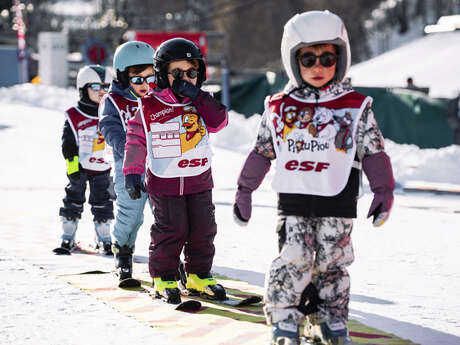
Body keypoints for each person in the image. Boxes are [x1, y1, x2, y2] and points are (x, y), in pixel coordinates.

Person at [233, 11, 395, 345]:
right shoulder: (279, 106)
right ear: (293, 60)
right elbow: (262, 151)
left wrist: (383, 190)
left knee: (333, 263)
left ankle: (330, 319)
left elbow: (373, 151)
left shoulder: (354, 106)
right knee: (295, 260)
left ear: (342, 57)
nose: (318, 67)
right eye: (308, 59)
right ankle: (284, 318)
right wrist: (244, 190)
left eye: (327, 58)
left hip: (338, 200)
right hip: (294, 199)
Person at [122, 38, 228, 304]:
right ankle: (164, 277)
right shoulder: (149, 105)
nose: (185, 80)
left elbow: (220, 122)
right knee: (171, 229)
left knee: (203, 229)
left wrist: (199, 97)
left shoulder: (202, 103)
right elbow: (136, 139)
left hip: (199, 180)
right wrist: (132, 172)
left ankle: (198, 276)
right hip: (165, 183)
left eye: (191, 73)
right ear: (161, 74)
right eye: (177, 74)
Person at [98, 41, 155, 283]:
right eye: (138, 79)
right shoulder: (113, 101)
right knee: (131, 215)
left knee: (166, 216)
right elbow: (108, 127)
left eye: (150, 78)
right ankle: (122, 251)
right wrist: (128, 148)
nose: (145, 85)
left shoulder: (159, 99)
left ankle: (169, 260)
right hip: (128, 168)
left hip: (160, 167)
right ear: (122, 77)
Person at [57, 65, 114, 255]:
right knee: (73, 200)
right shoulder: (75, 115)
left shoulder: (111, 114)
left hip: (103, 169)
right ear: (83, 89)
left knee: (103, 203)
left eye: (106, 87)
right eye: (95, 87)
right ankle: (68, 236)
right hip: (80, 169)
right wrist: (73, 167)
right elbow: (68, 145)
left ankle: (104, 238)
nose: (102, 92)